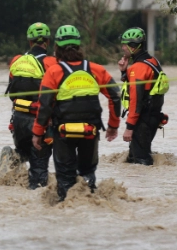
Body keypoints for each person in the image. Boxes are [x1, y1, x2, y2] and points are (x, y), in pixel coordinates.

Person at [32, 25, 120, 202]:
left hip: (63, 132)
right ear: (79, 47)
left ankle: (68, 208)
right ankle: (90, 204)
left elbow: (45, 105)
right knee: (88, 173)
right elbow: (115, 97)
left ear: (56, 48)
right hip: (90, 131)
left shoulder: (53, 72)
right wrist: (113, 126)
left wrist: (37, 132)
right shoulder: (96, 69)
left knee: (65, 177)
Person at [5, 22, 57, 189]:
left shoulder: (16, 60)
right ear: (47, 42)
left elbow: (12, 91)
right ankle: (35, 205)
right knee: (39, 170)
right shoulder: (52, 62)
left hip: (18, 120)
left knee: (23, 153)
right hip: (39, 122)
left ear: (29, 42)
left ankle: (11, 160)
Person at [118, 27, 169, 166]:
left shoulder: (138, 68)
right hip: (152, 116)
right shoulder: (152, 61)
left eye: (125, 44)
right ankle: (141, 187)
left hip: (142, 120)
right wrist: (124, 72)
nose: (122, 48)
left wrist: (129, 127)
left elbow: (136, 100)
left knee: (142, 163)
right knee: (132, 159)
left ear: (133, 47)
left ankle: (146, 186)